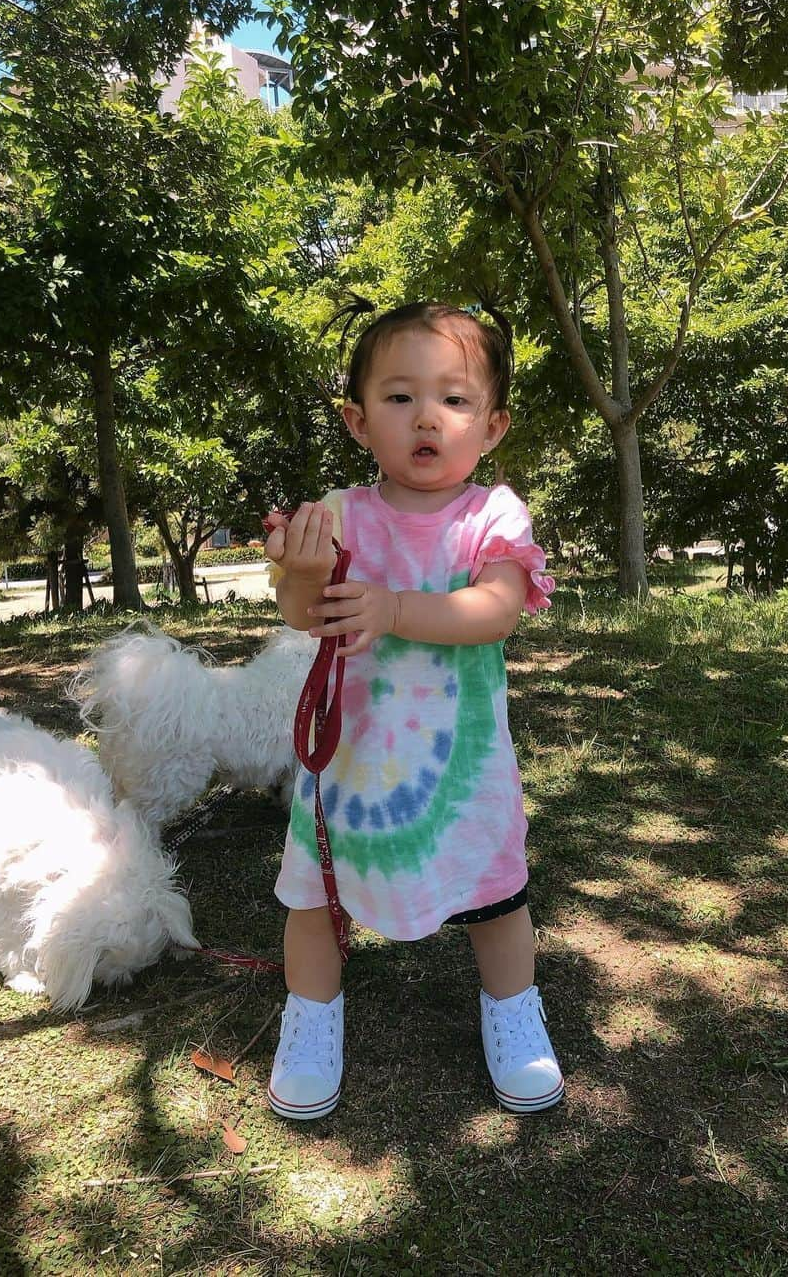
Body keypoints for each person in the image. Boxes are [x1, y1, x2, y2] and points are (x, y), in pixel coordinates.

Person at [262, 301, 563, 1121]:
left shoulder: (492, 514)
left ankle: (513, 1016)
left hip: (463, 773)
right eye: (399, 398)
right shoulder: (342, 514)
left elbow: (497, 609)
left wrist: (394, 610)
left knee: (496, 899)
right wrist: (298, 570)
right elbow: (304, 611)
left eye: (455, 400)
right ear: (359, 421)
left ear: (493, 426)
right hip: (351, 764)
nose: (427, 417)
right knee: (314, 901)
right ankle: (311, 1020)